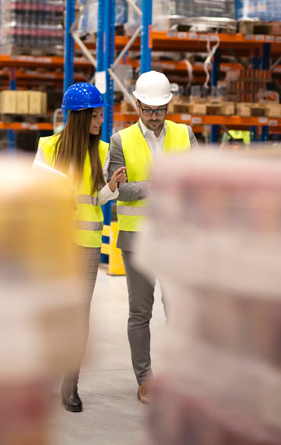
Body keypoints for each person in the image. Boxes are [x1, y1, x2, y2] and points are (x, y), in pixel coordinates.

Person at [33, 82, 127, 413]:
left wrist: (112, 187)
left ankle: (70, 383)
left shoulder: (101, 151)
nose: (102, 120)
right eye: (97, 115)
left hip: (87, 242)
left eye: (102, 114)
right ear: (79, 116)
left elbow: (97, 199)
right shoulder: (47, 147)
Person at [108, 70, 197, 405]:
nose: (156, 116)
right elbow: (120, 190)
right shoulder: (121, 140)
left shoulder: (184, 134)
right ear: (138, 105)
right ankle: (145, 379)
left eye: (161, 109)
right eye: (149, 110)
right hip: (137, 239)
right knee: (140, 312)